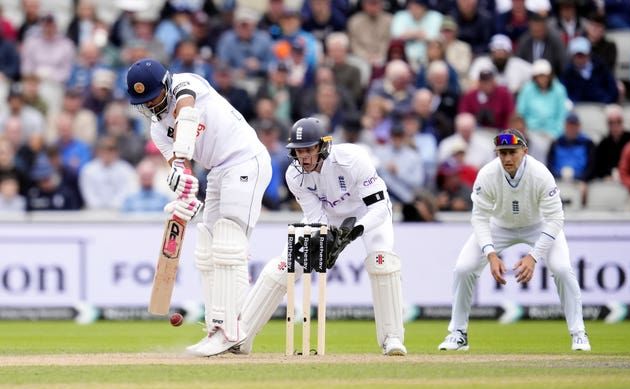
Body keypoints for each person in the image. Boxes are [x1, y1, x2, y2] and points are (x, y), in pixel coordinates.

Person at [125, 58, 272, 356]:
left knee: (229, 242)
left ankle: (230, 329)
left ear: (166, 84)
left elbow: (187, 112)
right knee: (207, 248)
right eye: (144, 102)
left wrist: (180, 161)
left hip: (246, 160)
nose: (151, 106)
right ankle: (218, 326)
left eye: (153, 96)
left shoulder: (187, 84)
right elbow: (184, 173)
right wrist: (184, 192)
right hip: (217, 171)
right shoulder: (157, 130)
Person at [237, 117, 407, 356]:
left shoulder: (353, 158)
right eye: (298, 151)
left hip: (366, 215)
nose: (303, 157)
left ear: (322, 146)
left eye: (308, 149)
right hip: (329, 219)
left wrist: (353, 232)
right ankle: (240, 337)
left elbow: (378, 209)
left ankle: (392, 338)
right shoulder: (294, 176)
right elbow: (316, 217)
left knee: (382, 261)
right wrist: (325, 238)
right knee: (284, 266)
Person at [438, 128, 591, 351]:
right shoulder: (487, 174)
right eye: (502, 153)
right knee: (463, 268)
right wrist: (491, 254)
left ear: (525, 151)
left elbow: (556, 218)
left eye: (512, 152)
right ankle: (458, 333)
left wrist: (533, 257)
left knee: (561, 268)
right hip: (499, 226)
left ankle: (579, 333)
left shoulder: (540, 174)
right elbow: (479, 218)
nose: (507, 158)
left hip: (538, 226)